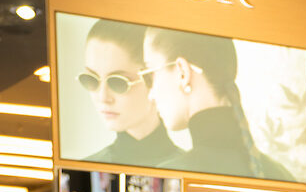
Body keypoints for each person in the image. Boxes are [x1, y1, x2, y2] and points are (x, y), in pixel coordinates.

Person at [141, 28, 293, 181]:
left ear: (183, 73)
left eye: (149, 75)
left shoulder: (169, 179)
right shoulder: (279, 174)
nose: (150, 95)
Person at [78, 19, 175, 166]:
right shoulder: (84, 169)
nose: (103, 97)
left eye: (118, 82)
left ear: (153, 79)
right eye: (91, 79)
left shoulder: (192, 168)